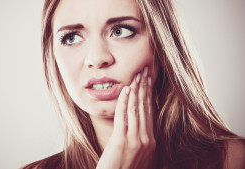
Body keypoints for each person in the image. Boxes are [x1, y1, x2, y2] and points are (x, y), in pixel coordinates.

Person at [22, 0, 245, 168]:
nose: (97, 58)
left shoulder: (234, 160)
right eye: (71, 37)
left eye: (120, 31)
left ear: (161, 46)